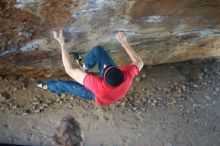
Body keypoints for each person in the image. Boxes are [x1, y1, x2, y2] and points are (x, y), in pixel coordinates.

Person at [36, 30, 143, 106]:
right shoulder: (128, 74)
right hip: (114, 89)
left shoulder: (97, 86)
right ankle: (85, 66)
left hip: (98, 96)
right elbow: (139, 62)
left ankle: (48, 86)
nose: (105, 66)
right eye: (108, 67)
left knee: (69, 86)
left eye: (104, 69)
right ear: (121, 71)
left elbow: (69, 70)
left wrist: (62, 44)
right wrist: (124, 43)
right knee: (98, 50)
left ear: (102, 78)